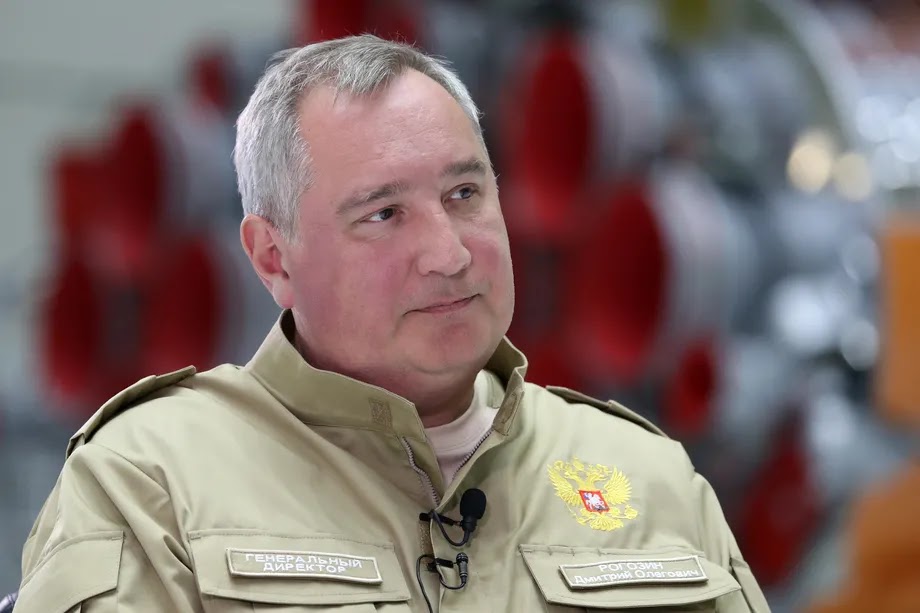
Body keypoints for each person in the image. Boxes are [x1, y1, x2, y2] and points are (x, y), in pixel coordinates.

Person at [13, 35, 769, 612]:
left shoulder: (648, 478)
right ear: (273, 257)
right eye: (383, 214)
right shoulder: (149, 486)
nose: (449, 254)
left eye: (465, 194)